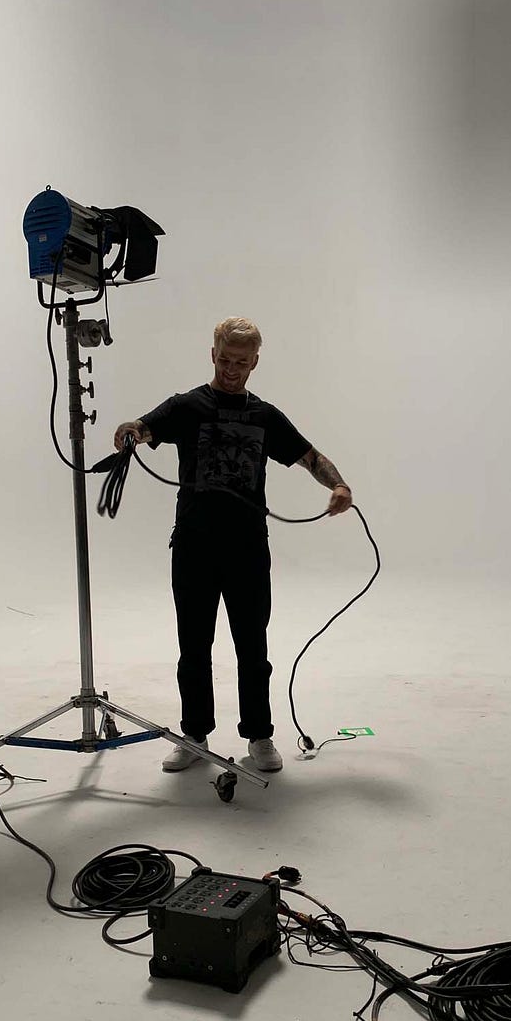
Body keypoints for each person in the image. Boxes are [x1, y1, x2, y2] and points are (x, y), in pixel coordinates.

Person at [114, 316, 352, 774]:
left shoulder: (265, 417)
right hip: (193, 548)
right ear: (212, 355)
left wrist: (339, 485)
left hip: (246, 549)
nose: (231, 368)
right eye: (225, 359)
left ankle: (259, 736)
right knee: (194, 646)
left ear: (255, 363)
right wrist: (130, 430)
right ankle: (195, 735)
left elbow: (309, 457)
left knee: (252, 647)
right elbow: (143, 428)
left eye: (241, 362)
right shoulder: (186, 407)